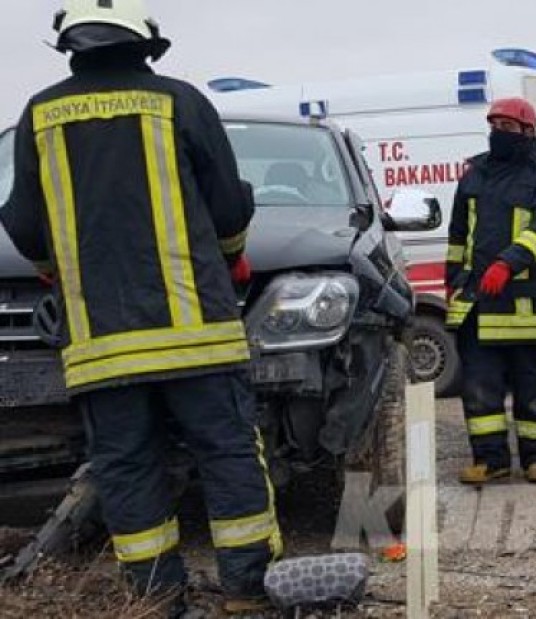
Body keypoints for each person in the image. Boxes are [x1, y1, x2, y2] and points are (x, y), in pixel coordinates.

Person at [0, 1, 278, 614]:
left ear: (72, 45)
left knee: (126, 467)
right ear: (145, 44)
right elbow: (229, 209)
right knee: (227, 452)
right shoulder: (180, 102)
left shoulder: (39, 114)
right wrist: (230, 254)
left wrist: (57, 268)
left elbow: (22, 223)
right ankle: (245, 591)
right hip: (197, 335)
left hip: (101, 344)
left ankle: (158, 599)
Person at [445, 98, 536, 485]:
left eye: (508, 126)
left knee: (531, 387)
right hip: (477, 303)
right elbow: (457, 236)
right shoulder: (473, 174)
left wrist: (507, 262)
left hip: (523, 304)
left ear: (528, 132)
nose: (499, 131)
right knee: (480, 392)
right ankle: (490, 460)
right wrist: (454, 282)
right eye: (494, 123)